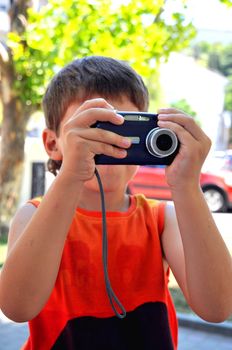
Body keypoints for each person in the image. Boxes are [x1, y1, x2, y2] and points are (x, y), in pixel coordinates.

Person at [0, 56, 231, 350]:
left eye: (125, 130)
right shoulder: (34, 216)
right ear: (53, 144)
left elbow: (217, 307)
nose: (110, 144)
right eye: (94, 128)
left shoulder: (161, 219)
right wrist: (70, 175)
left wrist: (187, 185)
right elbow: (16, 307)